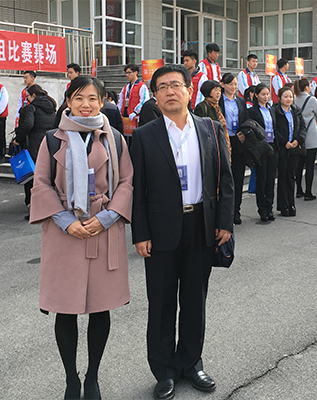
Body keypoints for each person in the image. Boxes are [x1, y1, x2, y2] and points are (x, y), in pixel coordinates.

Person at [130, 64, 233, 400]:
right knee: (161, 303)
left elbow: (225, 178)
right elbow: (137, 188)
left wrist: (225, 222)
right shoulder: (144, 135)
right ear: (155, 96)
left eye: (176, 85)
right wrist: (140, 233)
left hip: (201, 225)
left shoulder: (210, 128)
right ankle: (164, 370)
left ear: (189, 90)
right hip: (160, 230)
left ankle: (191, 363)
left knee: (194, 300)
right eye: (162, 87)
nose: (170, 92)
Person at [29, 75, 133, 400]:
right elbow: (41, 184)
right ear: (68, 102)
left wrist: (106, 218)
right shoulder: (52, 139)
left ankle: (92, 377)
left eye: (92, 98)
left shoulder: (115, 139)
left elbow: (127, 183)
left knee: (101, 308)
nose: (85, 105)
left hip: (103, 229)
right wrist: (64, 221)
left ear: (101, 102)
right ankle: (70, 379)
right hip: (66, 232)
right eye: (78, 98)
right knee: (66, 310)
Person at [13, 84, 58, 219]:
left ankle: (33, 207)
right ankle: (48, 205)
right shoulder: (51, 107)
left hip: (34, 145)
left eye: (28, 96)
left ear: (33, 95)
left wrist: (18, 139)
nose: (27, 99)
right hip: (49, 143)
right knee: (47, 175)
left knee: (32, 176)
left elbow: (28, 124)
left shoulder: (32, 108)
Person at [273, 86, 307, 216]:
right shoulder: (275, 111)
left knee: (291, 176)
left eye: (291, 97)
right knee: (283, 177)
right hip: (282, 148)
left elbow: (303, 128)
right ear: (280, 98)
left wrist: (298, 140)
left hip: (295, 148)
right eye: (285, 97)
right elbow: (274, 129)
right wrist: (284, 142)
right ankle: (283, 205)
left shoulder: (296, 110)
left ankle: (291, 204)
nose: (288, 99)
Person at [219, 73, 248, 225]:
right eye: (230, 84)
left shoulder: (241, 101)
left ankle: (236, 210)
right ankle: (225, 212)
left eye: (235, 84)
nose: (233, 87)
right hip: (224, 140)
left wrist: (243, 132)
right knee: (225, 177)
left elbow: (245, 120)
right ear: (223, 84)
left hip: (238, 141)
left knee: (238, 177)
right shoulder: (218, 101)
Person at [248, 84, 278, 222]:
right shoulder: (252, 111)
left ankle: (269, 206)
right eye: (263, 94)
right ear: (256, 95)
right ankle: (262, 209)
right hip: (260, 147)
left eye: (267, 94)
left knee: (271, 178)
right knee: (262, 178)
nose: (266, 97)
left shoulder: (271, 109)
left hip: (272, 146)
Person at [294, 77, 317, 201]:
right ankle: (308, 192)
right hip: (310, 135)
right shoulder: (312, 99)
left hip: (298, 136)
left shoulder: (294, 99)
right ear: (306, 87)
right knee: (309, 166)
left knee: (298, 166)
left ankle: (299, 190)